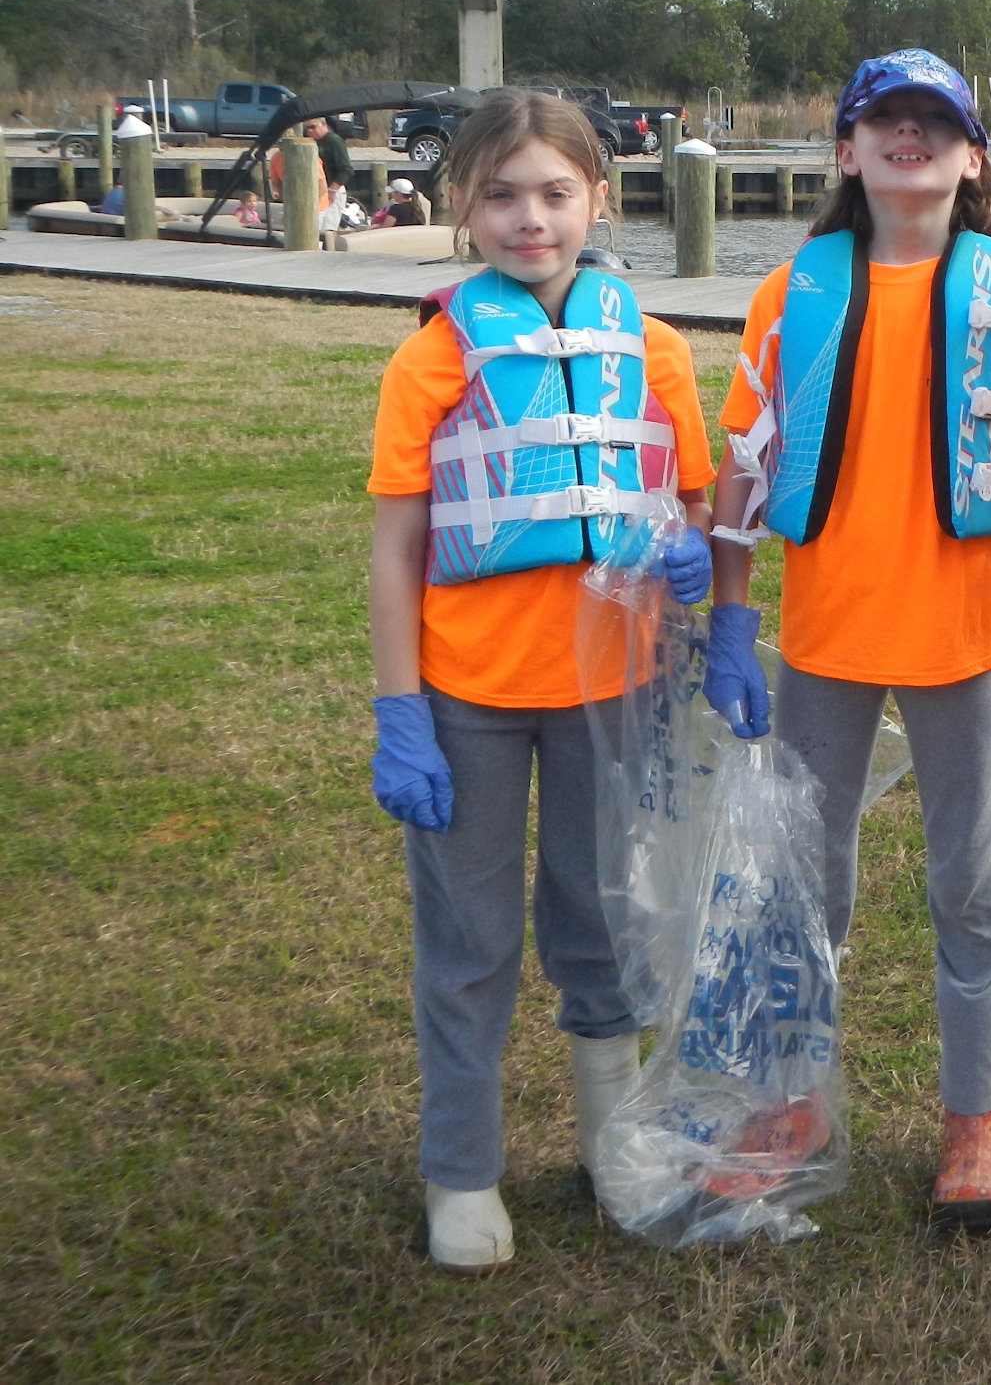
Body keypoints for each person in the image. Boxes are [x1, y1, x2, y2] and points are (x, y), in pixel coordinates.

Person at [707, 49, 991, 1233]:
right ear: (847, 150)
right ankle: (789, 1100)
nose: (908, 139)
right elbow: (744, 467)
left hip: (968, 644)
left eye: (935, 124)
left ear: (973, 158)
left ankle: (982, 1114)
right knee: (805, 886)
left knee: (974, 889)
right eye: (884, 121)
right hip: (821, 642)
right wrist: (730, 616)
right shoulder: (787, 293)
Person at [363, 88, 720, 1273]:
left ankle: (611, 1144)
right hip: (464, 697)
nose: (530, 219)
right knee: (465, 943)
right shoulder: (429, 359)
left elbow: (698, 497)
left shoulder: (656, 347)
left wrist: (686, 544)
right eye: (501, 195)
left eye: (555, 193)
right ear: (461, 207)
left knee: (600, 922)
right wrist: (399, 707)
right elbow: (397, 547)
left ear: (599, 200)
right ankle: (460, 1170)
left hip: (607, 695)